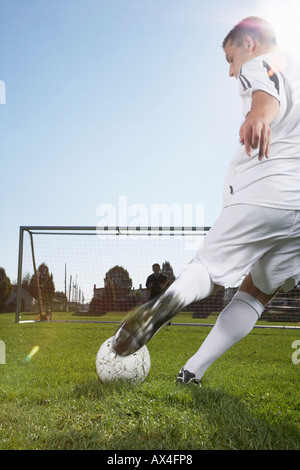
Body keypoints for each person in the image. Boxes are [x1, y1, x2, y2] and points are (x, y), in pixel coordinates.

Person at [113, 16, 300, 386]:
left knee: (208, 270)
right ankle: (191, 371)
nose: (232, 71)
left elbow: (266, 93)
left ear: (248, 43)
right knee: (257, 293)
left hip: (266, 188)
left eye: (230, 59)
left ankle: (168, 303)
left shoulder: (261, 62)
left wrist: (258, 116)